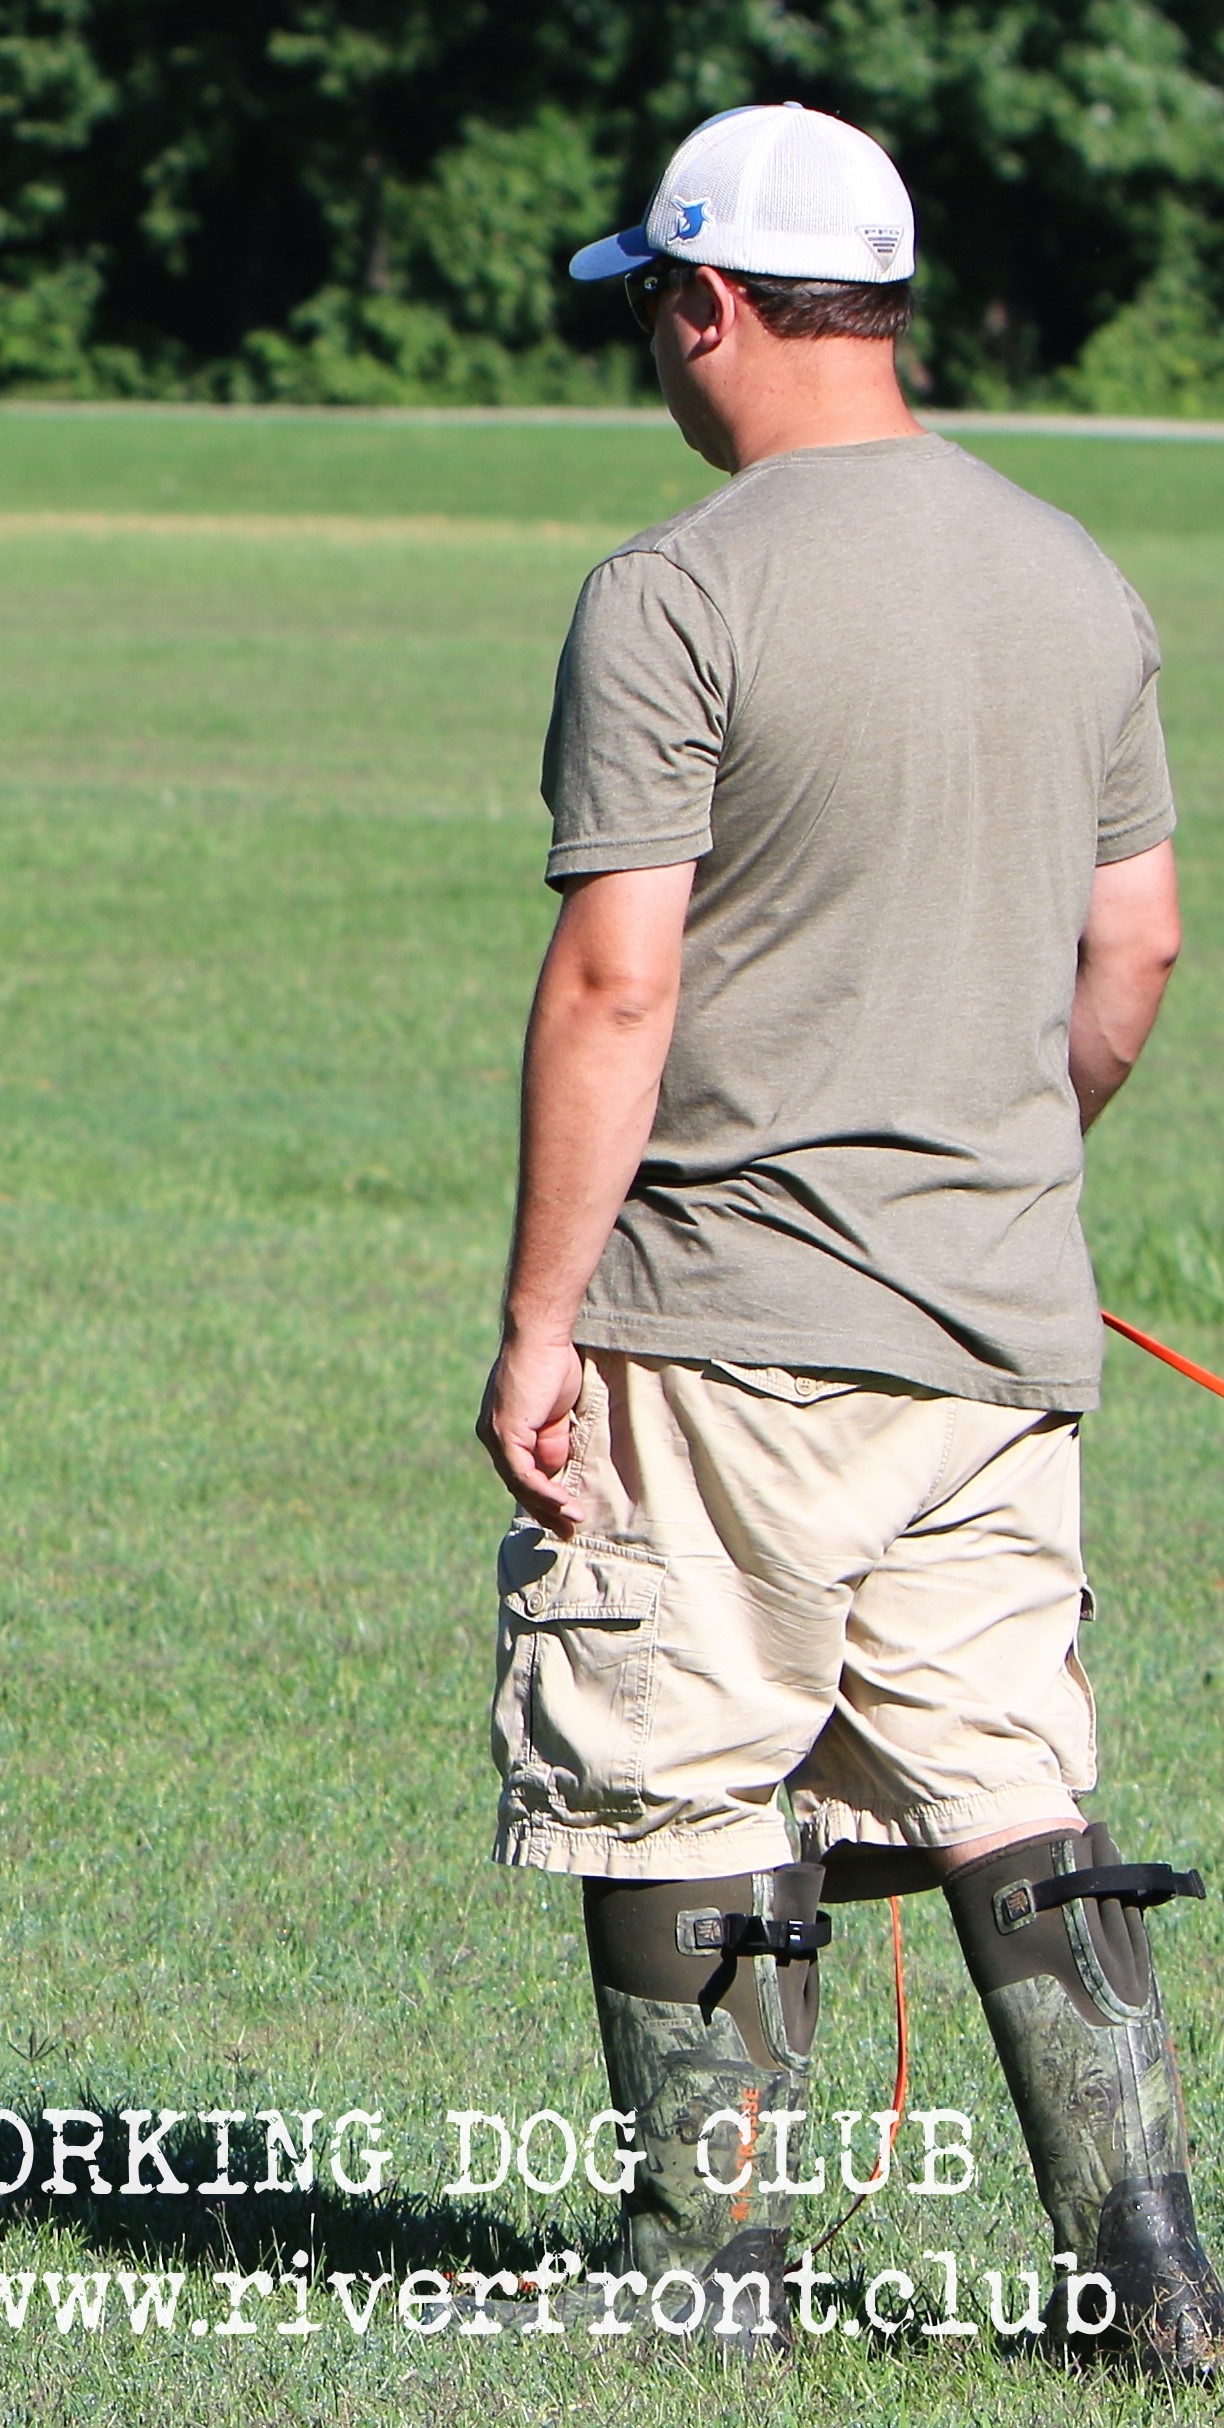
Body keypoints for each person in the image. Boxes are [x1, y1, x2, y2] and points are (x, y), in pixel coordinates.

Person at [478, 102, 1218, 2370]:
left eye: (652, 309)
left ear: (708, 303)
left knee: (679, 1761)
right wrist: (989, 1162)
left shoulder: (677, 589)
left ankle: (707, 2280)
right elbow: (1135, 951)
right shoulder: (1073, 579)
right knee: (1004, 1769)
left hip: (723, 1314)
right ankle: (1155, 2283)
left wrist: (538, 1318)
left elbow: (618, 981)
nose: (654, 351)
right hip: (993, 1329)